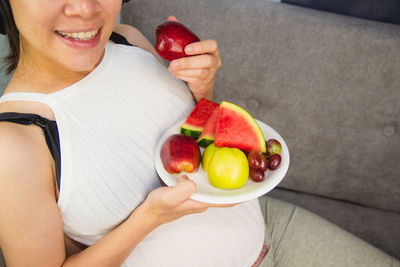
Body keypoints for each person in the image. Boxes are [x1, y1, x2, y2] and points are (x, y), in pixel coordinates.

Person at [0, 0, 398, 266]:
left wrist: (203, 92)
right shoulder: (14, 145)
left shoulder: (130, 40)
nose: (85, 9)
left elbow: (193, 146)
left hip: (270, 230)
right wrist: (150, 216)